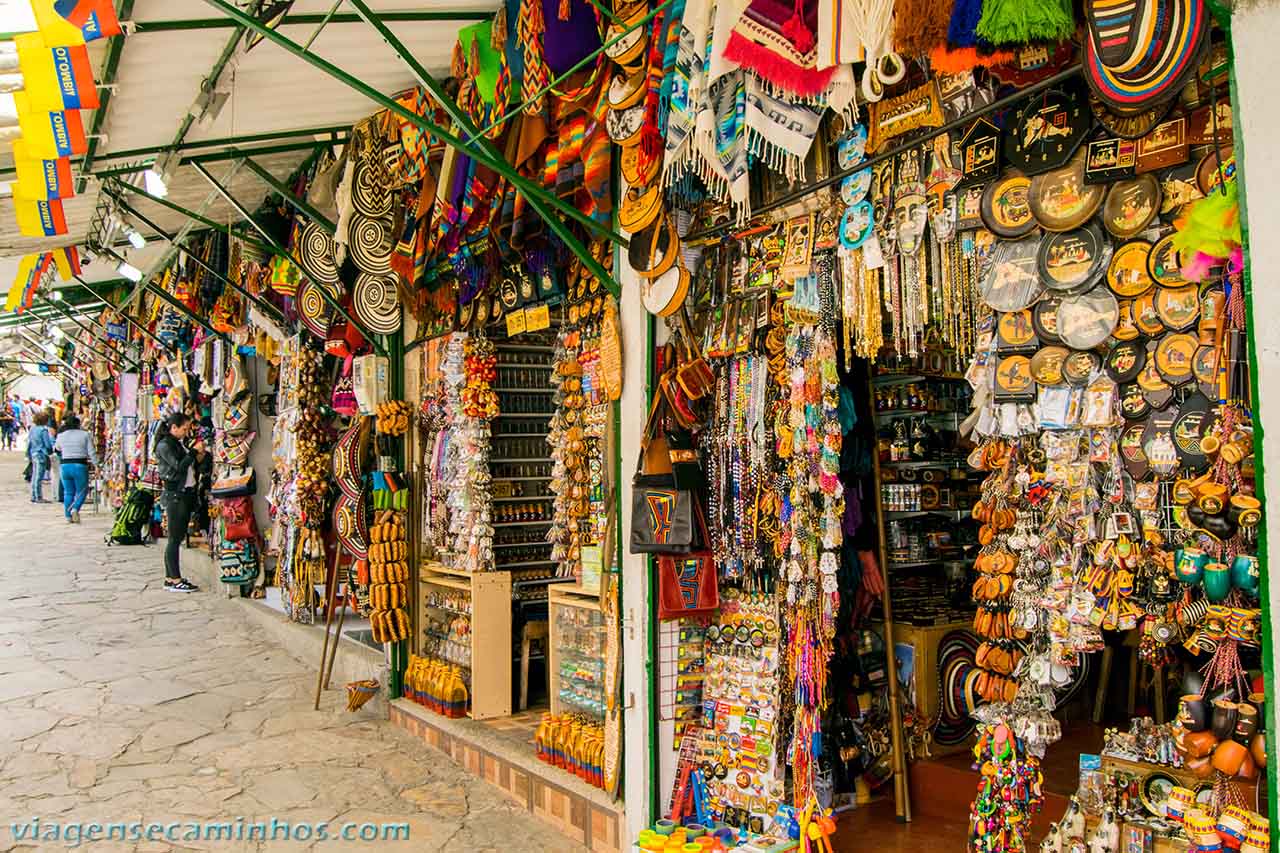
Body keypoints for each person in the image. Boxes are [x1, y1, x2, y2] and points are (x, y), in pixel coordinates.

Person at [154, 412, 204, 593]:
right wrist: (193, 452)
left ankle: (171, 578)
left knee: (176, 538)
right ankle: (175, 579)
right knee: (174, 539)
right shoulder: (166, 445)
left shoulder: (176, 444)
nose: (186, 432)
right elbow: (179, 466)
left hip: (183, 494)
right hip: (176, 495)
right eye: (184, 429)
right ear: (174, 428)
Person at [53, 414, 95, 524]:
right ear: (78, 424)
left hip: (65, 465)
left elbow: (57, 448)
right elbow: (91, 452)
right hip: (80, 464)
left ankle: (67, 516)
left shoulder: (61, 435)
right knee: (82, 491)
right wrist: (97, 465)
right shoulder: (85, 435)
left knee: (68, 492)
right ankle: (75, 509)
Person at [26, 412, 53, 503]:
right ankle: (38, 496)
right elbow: (48, 444)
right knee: (39, 476)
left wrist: (28, 454)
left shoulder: (32, 429)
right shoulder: (43, 430)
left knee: (34, 475)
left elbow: (29, 443)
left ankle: (33, 495)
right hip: (41, 453)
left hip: (33, 453)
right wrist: (51, 451)